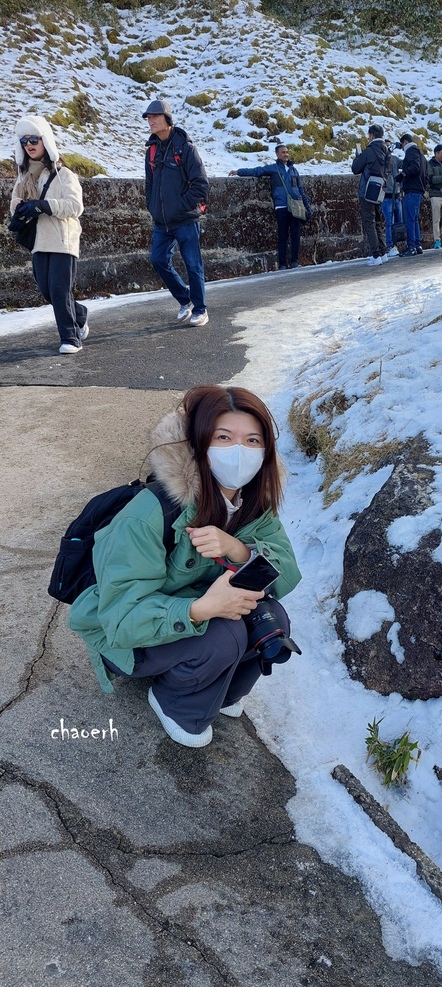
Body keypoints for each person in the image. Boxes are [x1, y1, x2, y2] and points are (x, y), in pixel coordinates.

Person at [68, 385, 302, 748]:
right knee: (225, 636)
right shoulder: (150, 513)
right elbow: (120, 619)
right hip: (126, 635)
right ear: (199, 443)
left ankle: (221, 691)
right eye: (224, 437)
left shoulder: (253, 503)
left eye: (253, 440)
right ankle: (175, 702)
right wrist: (200, 609)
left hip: (187, 614)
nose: (240, 452)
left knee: (273, 619)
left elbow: (286, 572)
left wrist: (239, 550)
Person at [9, 116, 88, 355]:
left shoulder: (64, 175)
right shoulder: (24, 177)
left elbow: (75, 206)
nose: (29, 144)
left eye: (34, 139)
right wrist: (21, 206)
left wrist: (44, 205)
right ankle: (80, 315)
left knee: (59, 290)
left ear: (46, 141)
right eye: (24, 141)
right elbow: (13, 204)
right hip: (39, 241)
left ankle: (71, 338)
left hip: (63, 240)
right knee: (47, 291)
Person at [143, 98, 210, 327]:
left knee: (193, 265)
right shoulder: (151, 151)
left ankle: (201, 309)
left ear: (167, 119)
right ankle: (185, 299)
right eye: (148, 118)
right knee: (158, 260)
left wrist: (181, 206)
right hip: (162, 222)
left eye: (154, 117)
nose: (150, 121)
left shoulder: (186, 148)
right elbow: (149, 185)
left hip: (185, 220)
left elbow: (200, 185)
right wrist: (152, 206)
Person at [229, 143, 312, 270]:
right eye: (283, 152)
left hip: (295, 206)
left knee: (295, 234)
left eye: (287, 152)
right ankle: (283, 263)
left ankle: (294, 261)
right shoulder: (274, 169)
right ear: (277, 154)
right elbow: (257, 171)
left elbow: (300, 189)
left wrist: (307, 206)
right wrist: (239, 172)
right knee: (283, 235)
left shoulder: (293, 170)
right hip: (282, 206)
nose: (286, 154)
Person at [351, 124, 389, 267]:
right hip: (381, 189)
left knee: (369, 222)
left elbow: (355, 168)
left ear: (371, 135)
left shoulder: (369, 151)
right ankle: (383, 252)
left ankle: (375, 255)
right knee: (378, 221)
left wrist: (358, 157)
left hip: (367, 189)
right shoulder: (386, 150)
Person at [397, 132, 428, 258]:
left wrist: (403, 174)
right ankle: (417, 244)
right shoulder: (421, 154)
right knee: (414, 219)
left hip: (412, 189)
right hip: (419, 189)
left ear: (405, 142)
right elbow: (425, 173)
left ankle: (412, 247)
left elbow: (415, 167)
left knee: (409, 219)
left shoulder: (411, 151)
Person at [383, 138, 403, 257]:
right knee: (389, 222)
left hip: (397, 194)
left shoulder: (394, 159)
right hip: (387, 196)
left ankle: (397, 244)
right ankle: (390, 245)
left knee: (398, 222)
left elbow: (405, 164)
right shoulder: (380, 160)